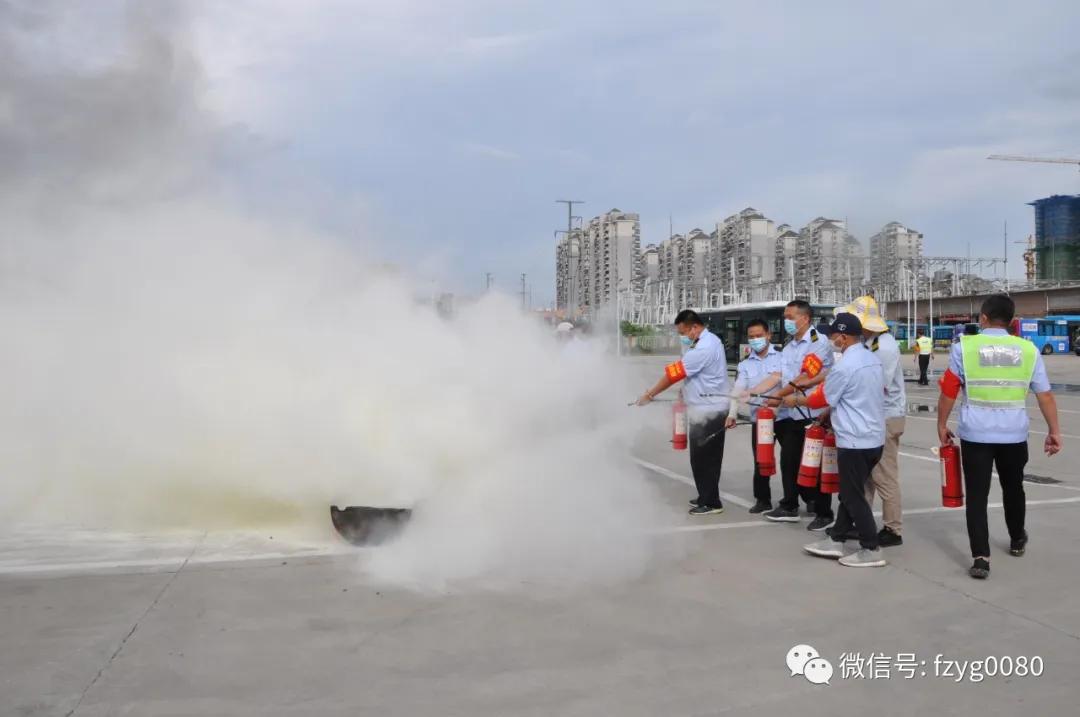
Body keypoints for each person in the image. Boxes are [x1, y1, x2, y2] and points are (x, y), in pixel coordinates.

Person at [936, 294, 1062, 580]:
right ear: (1013, 321)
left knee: (978, 496)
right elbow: (1045, 395)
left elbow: (949, 390)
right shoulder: (1028, 349)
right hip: (1014, 434)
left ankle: (981, 557)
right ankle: (1017, 539)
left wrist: (942, 423)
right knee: (1013, 487)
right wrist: (1054, 431)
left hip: (976, 433)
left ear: (983, 318)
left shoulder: (964, 348)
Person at [784, 313, 888, 568]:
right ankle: (837, 538)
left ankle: (871, 548)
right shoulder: (871, 360)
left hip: (854, 441)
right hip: (874, 437)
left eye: (833, 335)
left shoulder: (845, 366)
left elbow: (822, 398)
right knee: (849, 493)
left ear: (843, 336)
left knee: (853, 496)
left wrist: (795, 400)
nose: (831, 340)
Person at [637, 310, 730, 515]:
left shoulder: (703, 347)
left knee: (707, 458)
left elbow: (672, 375)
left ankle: (712, 502)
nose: (683, 337)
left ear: (695, 327)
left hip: (710, 410)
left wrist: (650, 394)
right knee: (699, 457)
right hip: (701, 408)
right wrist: (685, 391)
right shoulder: (705, 342)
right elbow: (694, 376)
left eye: (684, 332)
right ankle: (705, 494)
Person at [834, 296, 906, 547]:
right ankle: (857, 521)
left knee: (884, 476)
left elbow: (875, 385)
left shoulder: (883, 348)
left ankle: (893, 529)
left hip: (886, 416)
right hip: (874, 417)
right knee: (864, 479)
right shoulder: (870, 343)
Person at [763, 300, 835, 530]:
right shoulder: (789, 346)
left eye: (790, 317)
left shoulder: (818, 343)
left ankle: (824, 512)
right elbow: (783, 376)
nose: (787, 321)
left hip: (813, 412)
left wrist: (777, 395)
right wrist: (765, 394)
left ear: (804, 318)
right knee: (789, 460)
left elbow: (806, 377)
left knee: (816, 463)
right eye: (785, 317)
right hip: (791, 412)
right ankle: (790, 505)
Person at [726, 319, 782, 514]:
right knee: (761, 459)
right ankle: (762, 499)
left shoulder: (782, 358)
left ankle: (802, 499)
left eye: (759, 336)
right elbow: (738, 389)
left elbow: (781, 381)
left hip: (784, 418)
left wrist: (756, 393)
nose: (755, 340)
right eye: (751, 337)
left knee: (792, 460)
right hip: (760, 420)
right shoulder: (745, 364)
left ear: (769, 335)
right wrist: (732, 414)